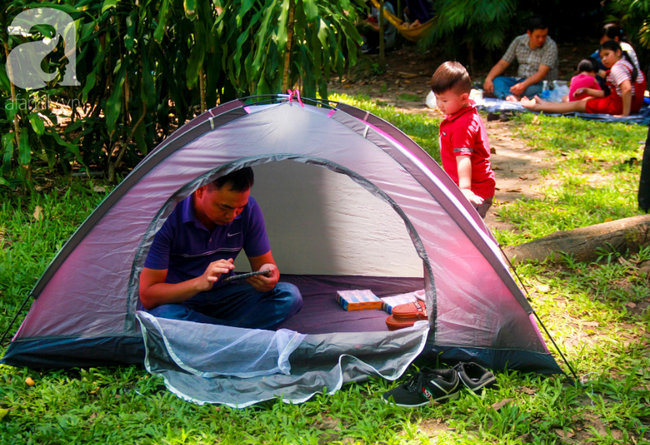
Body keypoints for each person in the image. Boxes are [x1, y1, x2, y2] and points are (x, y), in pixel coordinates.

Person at [139, 167, 303, 330]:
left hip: (226, 295)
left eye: (239, 208)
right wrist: (200, 282)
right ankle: (238, 335)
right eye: (224, 207)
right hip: (181, 300)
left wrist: (269, 276)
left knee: (289, 295)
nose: (232, 216)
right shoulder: (166, 217)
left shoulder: (250, 210)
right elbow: (148, 296)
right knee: (164, 316)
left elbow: (266, 266)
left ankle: (213, 337)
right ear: (201, 190)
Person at [431, 61, 496, 218]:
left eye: (444, 100)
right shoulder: (462, 112)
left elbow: (464, 158)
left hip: (474, 192)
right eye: (437, 98)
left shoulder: (462, 126)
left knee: (470, 230)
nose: (439, 104)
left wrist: (465, 189)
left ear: (464, 97)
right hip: (463, 188)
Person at [522, 40, 646, 117]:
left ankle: (536, 107)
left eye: (607, 55)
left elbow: (627, 89)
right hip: (631, 105)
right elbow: (613, 92)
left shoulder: (617, 68)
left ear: (618, 52)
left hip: (618, 106)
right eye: (602, 57)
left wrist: (624, 114)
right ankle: (545, 104)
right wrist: (588, 91)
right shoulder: (627, 65)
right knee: (585, 100)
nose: (604, 59)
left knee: (576, 104)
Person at [483, 17, 558, 102]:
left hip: (540, 84)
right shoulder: (519, 41)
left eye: (544, 36)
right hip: (519, 81)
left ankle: (507, 95)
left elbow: (541, 73)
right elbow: (503, 63)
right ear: (529, 33)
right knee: (497, 81)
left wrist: (524, 85)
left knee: (536, 90)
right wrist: (488, 79)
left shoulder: (550, 46)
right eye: (537, 36)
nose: (541, 39)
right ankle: (510, 96)